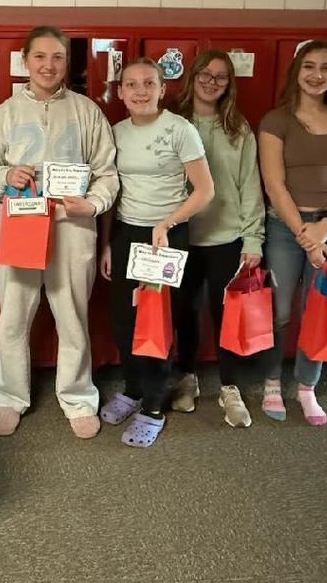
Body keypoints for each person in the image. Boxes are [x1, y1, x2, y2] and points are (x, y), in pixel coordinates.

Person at [0, 26, 119, 439]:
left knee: (72, 315)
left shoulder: (87, 112)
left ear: (65, 63)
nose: (48, 65)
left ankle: (77, 396)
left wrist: (92, 204)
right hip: (21, 222)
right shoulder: (5, 113)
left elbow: (107, 173)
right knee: (14, 314)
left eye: (56, 57)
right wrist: (6, 174)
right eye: (40, 57)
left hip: (72, 226)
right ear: (25, 61)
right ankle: (7, 394)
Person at [97, 58, 214, 447]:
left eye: (149, 83)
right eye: (131, 84)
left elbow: (204, 190)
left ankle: (154, 405)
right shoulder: (115, 132)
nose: (140, 91)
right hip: (126, 234)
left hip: (167, 239)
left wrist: (165, 224)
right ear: (121, 91)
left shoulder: (181, 130)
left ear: (163, 89)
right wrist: (107, 244)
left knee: (157, 324)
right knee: (123, 321)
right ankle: (132, 388)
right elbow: (112, 194)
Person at [257, 40, 327, 426]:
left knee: (320, 310)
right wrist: (305, 233)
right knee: (280, 310)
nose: (317, 75)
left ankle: (306, 388)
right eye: (309, 67)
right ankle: (271, 382)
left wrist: (326, 228)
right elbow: (273, 183)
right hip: (286, 227)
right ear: (296, 71)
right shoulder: (275, 120)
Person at [171, 50, 265, 428]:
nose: (212, 82)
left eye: (221, 77)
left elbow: (250, 187)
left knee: (227, 317)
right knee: (183, 312)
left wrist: (252, 240)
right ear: (193, 77)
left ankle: (229, 387)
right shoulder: (173, 124)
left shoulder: (238, 129)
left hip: (227, 237)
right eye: (205, 75)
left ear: (229, 84)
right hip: (182, 236)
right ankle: (187, 376)